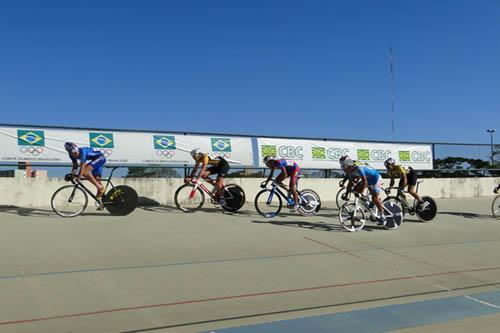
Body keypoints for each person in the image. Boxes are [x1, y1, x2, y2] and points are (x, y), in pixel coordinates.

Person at [341, 156, 386, 225]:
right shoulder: (350, 170)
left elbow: (365, 182)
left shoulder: (358, 168)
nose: (344, 169)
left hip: (375, 178)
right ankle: (367, 202)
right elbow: (350, 184)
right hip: (368, 178)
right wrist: (346, 194)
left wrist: (361, 192)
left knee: (375, 197)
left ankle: (382, 216)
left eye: (344, 167)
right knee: (355, 189)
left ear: (348, 165)